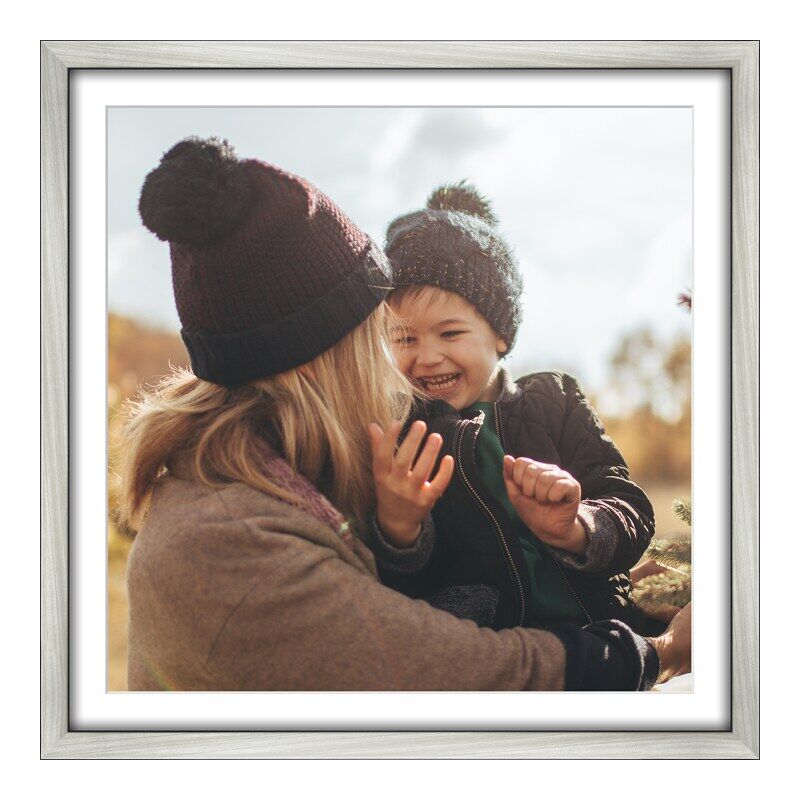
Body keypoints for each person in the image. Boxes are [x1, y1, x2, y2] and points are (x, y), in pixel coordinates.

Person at [121, 137, 689, 692]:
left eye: (450, 332)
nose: (411, 357)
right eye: (389, 332)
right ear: (317, 358)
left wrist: (587, 536)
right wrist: (659, 654)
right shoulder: (235, 544)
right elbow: (451, 670)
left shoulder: (294, 466)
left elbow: (618, 499)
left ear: (500, 334)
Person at [371, 182, 666, 637]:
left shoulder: (554, 400)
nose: (427, 357)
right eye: (406, 339)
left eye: (450, 334)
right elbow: (400, 588)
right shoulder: (402, 434)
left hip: (607, 632)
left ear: (500, 335)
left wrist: (577, 527)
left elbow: (629, 506)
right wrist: (399, 526)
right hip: (496, 655)